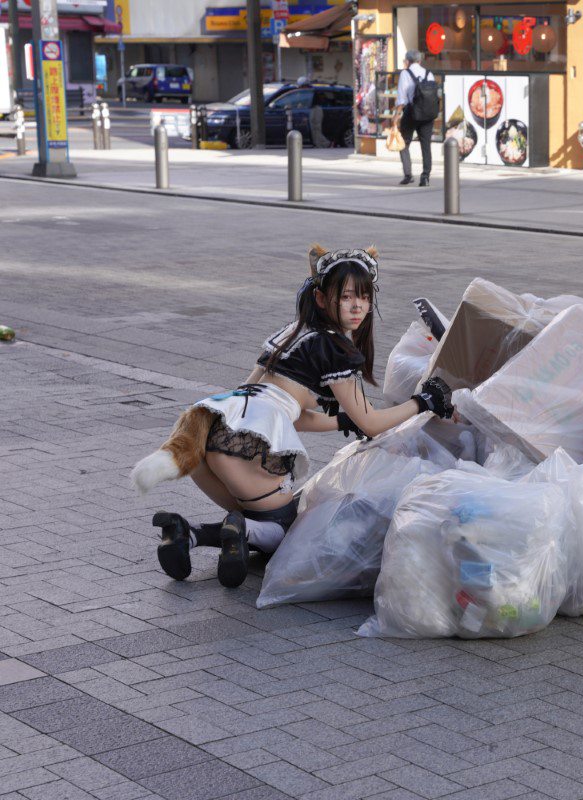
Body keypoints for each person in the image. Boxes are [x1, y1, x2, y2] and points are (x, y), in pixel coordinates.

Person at [130, 245, 455, 587]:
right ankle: (237, 530)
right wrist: (424, 400)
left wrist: (341, 421)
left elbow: (279, 411)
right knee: (291, 529)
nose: (357, 305)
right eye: (345, 297)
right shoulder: (335, 349)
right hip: (247, 447)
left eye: (363, 296)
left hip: (210, 435)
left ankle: (187, 534)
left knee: (258, 515)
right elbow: (371, 422)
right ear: (320, 299)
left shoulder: (291, 333)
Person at [397, 49, 434, 187]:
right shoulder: (428, 73)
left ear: (408, 61)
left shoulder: (405, 73)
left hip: (411, 113)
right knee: (426, 146)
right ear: (419, 60)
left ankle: (408, 174)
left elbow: (401, 99)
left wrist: (396, 117)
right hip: (427, 114)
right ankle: (425, 177)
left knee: (403, 143)